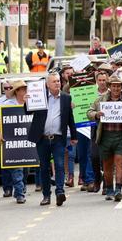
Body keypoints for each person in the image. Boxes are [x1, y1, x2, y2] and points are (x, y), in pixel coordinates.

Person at [87, 75, 122, 202]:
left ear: (121, 86)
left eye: (118, 85)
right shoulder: (100, 100)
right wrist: (96, 114)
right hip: (105, 136)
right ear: (109, 87)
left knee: (120, 163)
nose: (116, 88)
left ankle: (118, 190)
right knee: (107, 166)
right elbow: (89, 113)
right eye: (113, 85)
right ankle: (109, 189)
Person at [27, 73, 78, 206]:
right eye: (54, 81)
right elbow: (28, 111)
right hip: (42, 139)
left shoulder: (66, 98)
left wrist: (74, 136)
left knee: (60, 165)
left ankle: (60, 192)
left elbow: (70, 118)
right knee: (44, 167)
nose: (57, 83)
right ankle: (46, 196)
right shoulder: (39, 97)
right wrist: (27, 102)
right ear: (47, 84)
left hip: (58, 138)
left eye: (58, 81)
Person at [0, 80, 29, 203]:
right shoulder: (8, 104)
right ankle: (20, 194)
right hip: (13, 141)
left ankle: (21, 188)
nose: (25, 91)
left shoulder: (30, 103)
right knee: (17, 168)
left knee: (25, 168)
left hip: (26, 141)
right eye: (23, 89)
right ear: (17, 91)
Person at [0, 81, 17, 197]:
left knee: (22, 163)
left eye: (10, 87)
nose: (8, 90)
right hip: (4, 135)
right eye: (6, 88)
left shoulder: (21, 101)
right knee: (6, 163)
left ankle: (21, 188)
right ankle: (7, 188)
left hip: (18, 136)